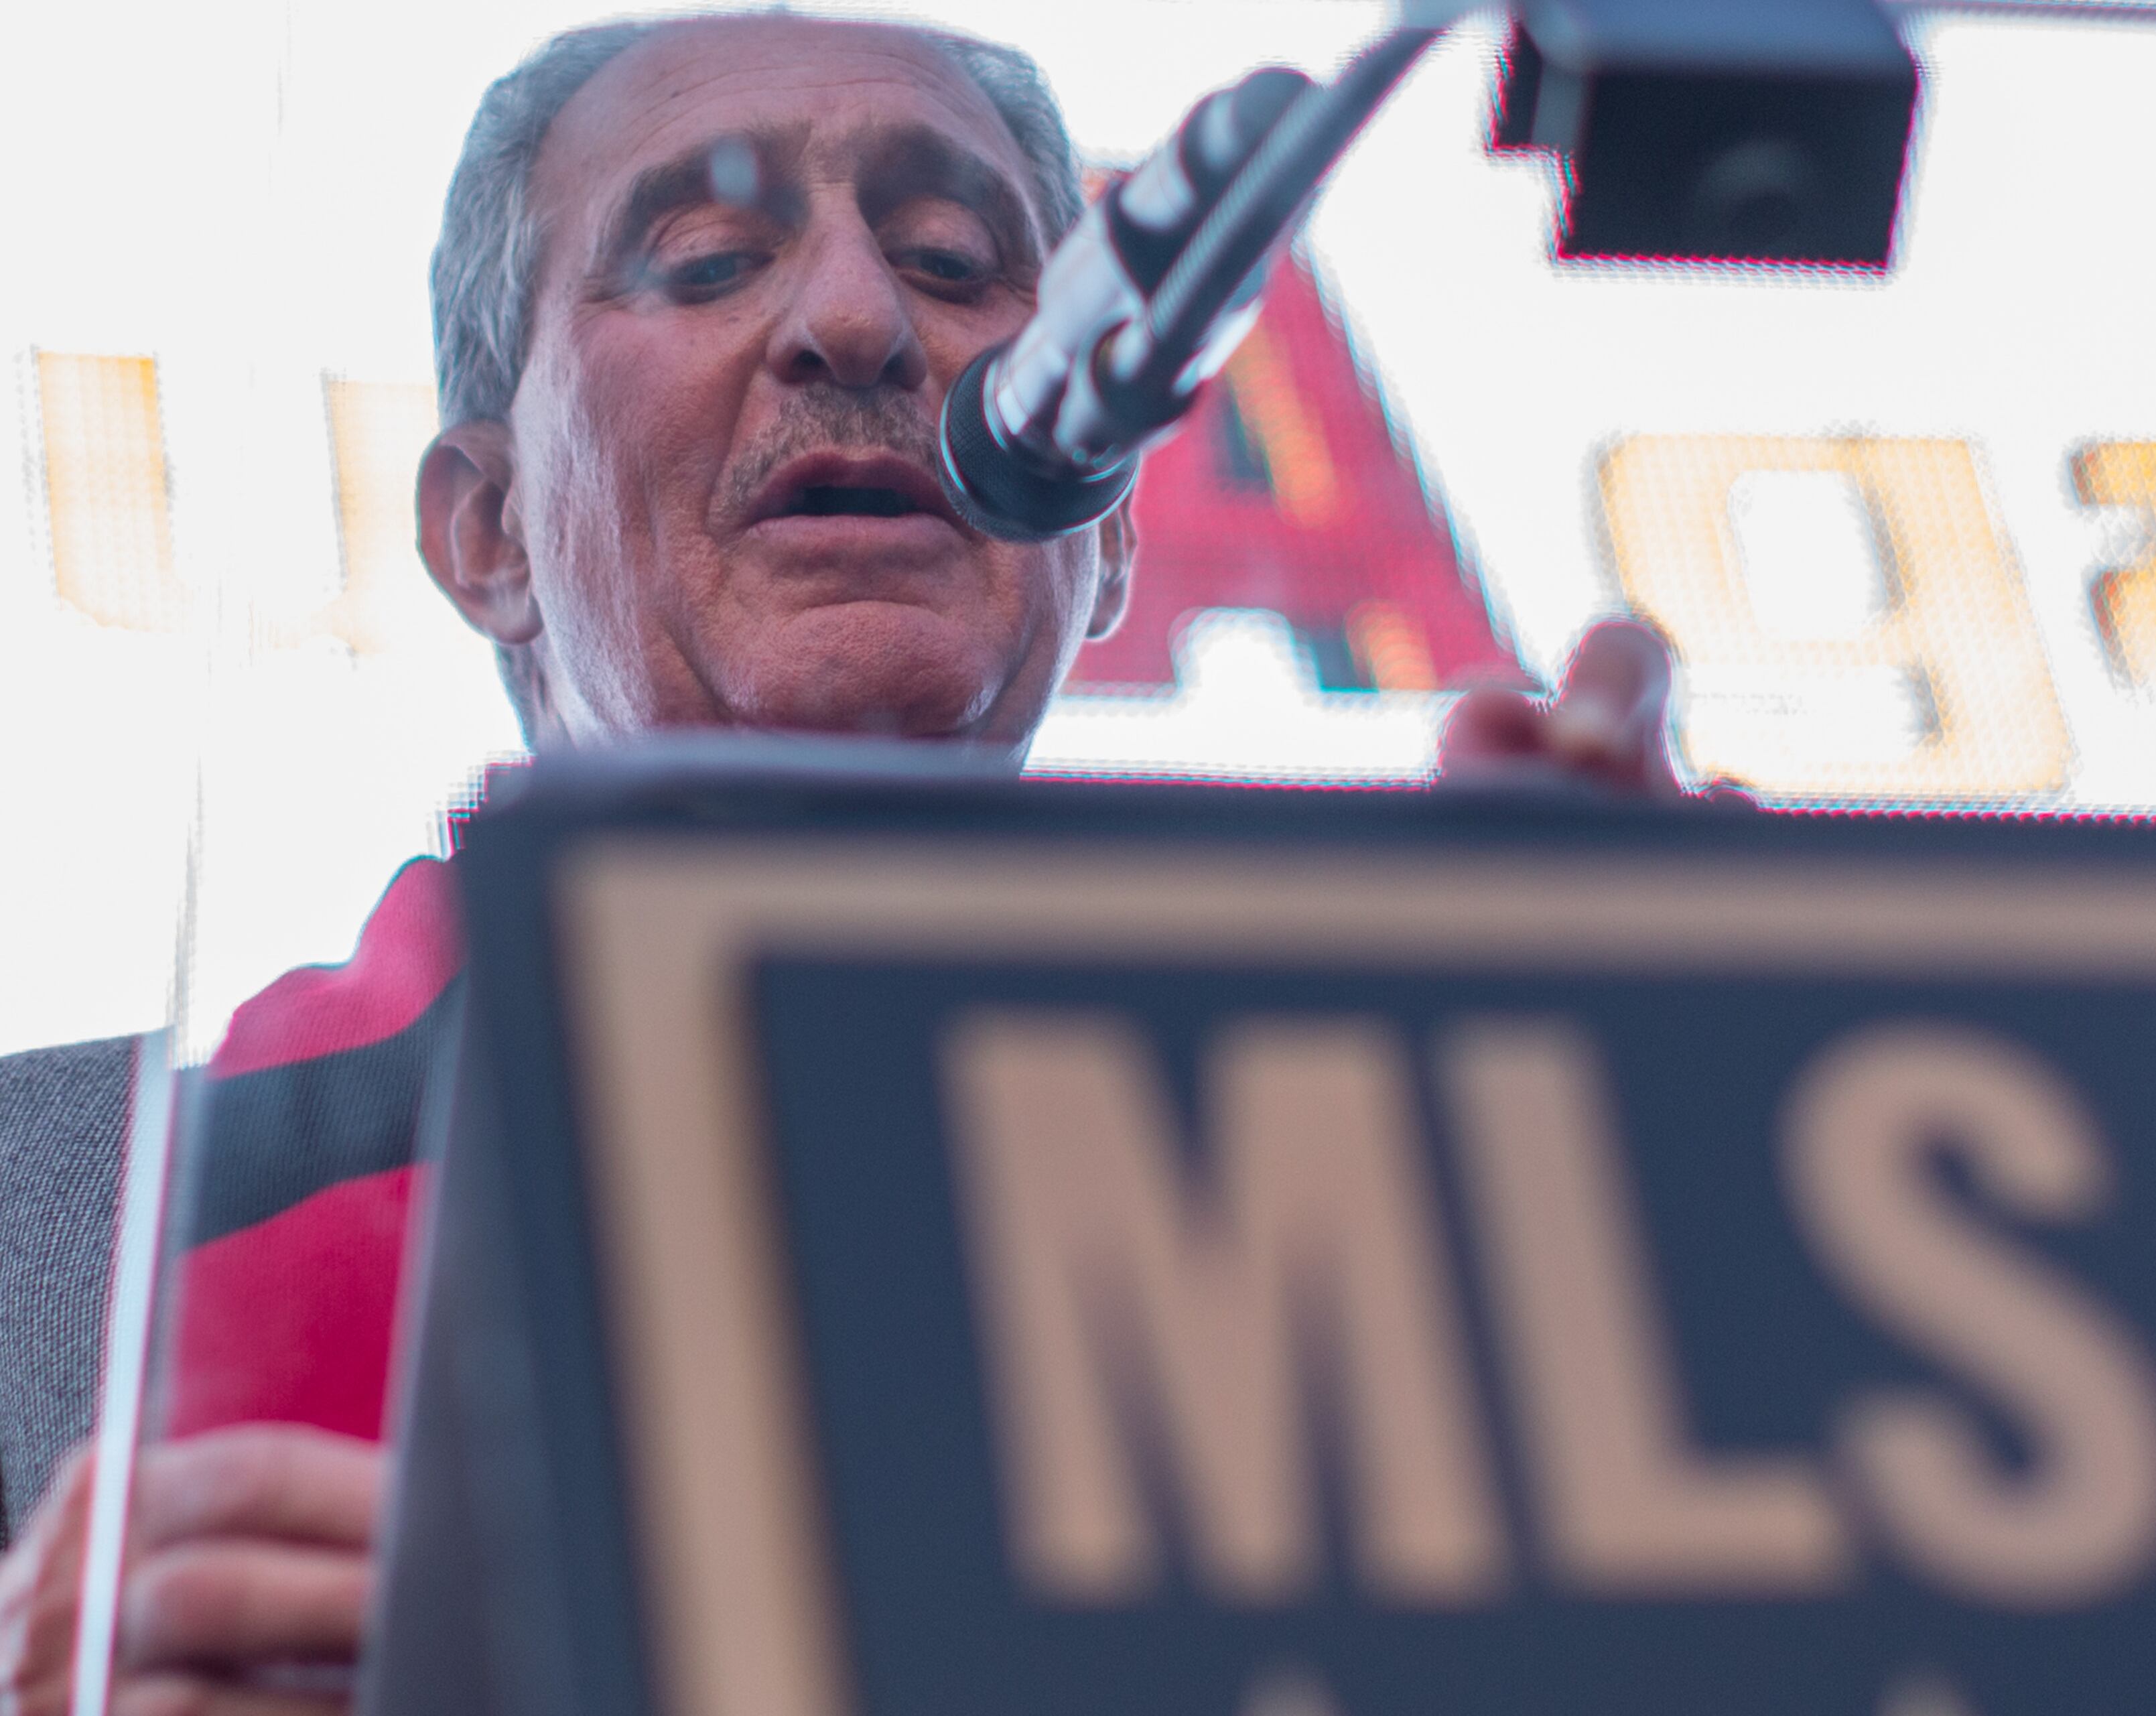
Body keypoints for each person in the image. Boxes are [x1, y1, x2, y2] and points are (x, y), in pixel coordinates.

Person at [0, 11, 1702, 1711]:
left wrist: (1690, 1239)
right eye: (704, 259)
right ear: (486, 530)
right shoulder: (49, 1225)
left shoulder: (1407, 1212)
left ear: (1102, 525)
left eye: (957, 261)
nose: (855, 321)